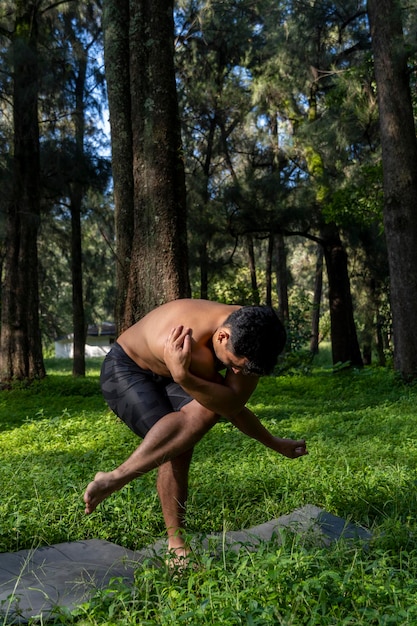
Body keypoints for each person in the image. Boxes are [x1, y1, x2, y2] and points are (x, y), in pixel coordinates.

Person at [84, 299, 307, 560]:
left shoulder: (252, 336)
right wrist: (184, 376)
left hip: (178, 371)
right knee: (180, 441)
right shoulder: (187, 341)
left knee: (190, 430)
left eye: (243, 369)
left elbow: (231, 404)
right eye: (234, 364)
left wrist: (275, 443)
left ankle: (120, 483)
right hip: (127, 370)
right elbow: (224, 406)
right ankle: (174, 541)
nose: (236, 371)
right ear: (222, 336)